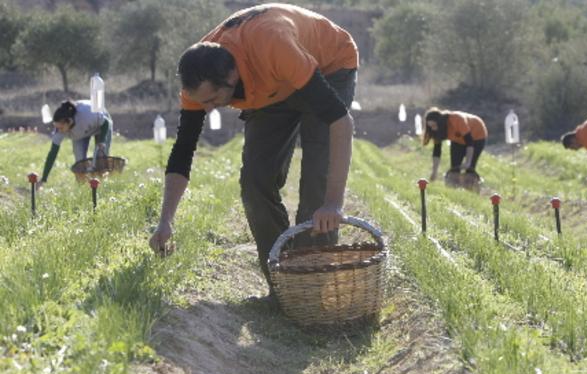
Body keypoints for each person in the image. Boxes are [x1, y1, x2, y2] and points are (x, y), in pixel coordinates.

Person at [148, 4, 357, 299]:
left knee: (317, 185)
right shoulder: (199, 82)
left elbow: (340, 121)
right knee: (255, 182)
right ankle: (282, 284)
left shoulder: (273, 46)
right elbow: (183, 152)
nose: (207, 108)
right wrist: (165, 220)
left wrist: (334, 203)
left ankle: (310, 290)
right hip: (270, 84)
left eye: (213, 99)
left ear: (231, 76)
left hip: (328, 64)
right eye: (201, 101)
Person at [37, 100, 113, 188]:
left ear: (69, 121)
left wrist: (102, 140)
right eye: (57, 128)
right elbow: (52, 153)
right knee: (80, 164)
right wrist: (43, 179)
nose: (59, 131)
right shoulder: (60, 130)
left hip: (101, 125)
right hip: (80, 134)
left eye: (61, 128)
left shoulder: (87, 116)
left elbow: (105, 122)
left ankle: (101, 186)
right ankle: (82, 188)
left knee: (101, 160)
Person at [422, 107, 488, 181]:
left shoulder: (457, 119)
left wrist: (468, 162)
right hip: (458, 141)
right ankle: (456, 186)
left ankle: (471, 185)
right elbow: (437, 151)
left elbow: (469, 141)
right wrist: (434, 172)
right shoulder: (436, 131)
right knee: (454, 168)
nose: (433, 129)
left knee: (470, 168)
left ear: (440, 122)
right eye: (430, 127)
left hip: (477, 137)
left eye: (434, 125)